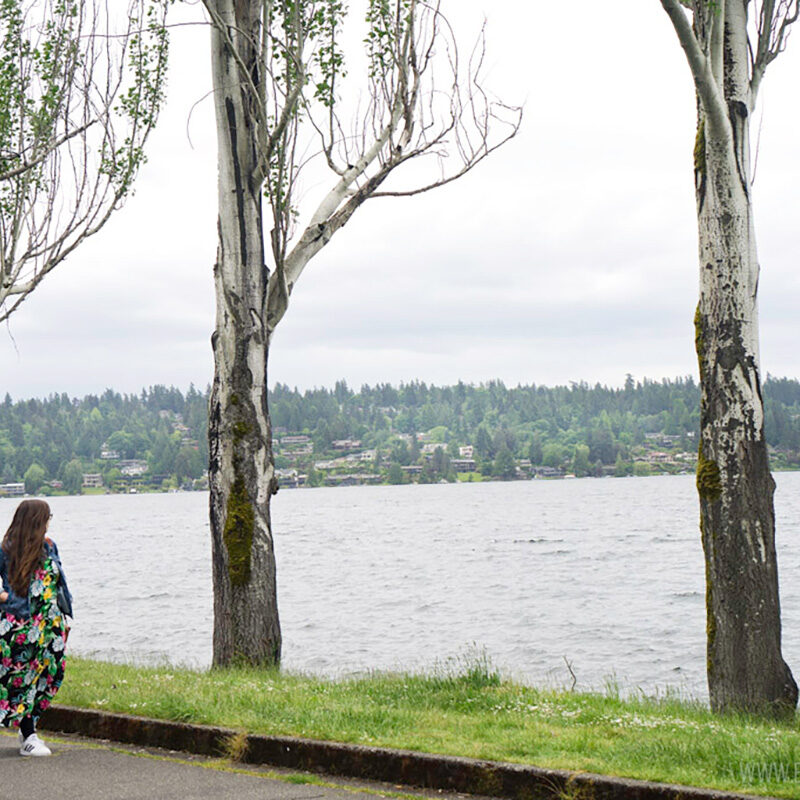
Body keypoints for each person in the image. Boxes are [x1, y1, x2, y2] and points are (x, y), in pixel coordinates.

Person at [0, 499, 72, 757]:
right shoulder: (6, 550)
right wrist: (5, 597)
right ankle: (29, 736)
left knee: (49, 677)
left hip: (50, 628)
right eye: (46, 516)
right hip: (18, 627)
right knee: (21, 681)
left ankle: (28, 729)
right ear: (35, 520)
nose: (49, 521)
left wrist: (64, 618)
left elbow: (58, 585)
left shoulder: (49, 546)